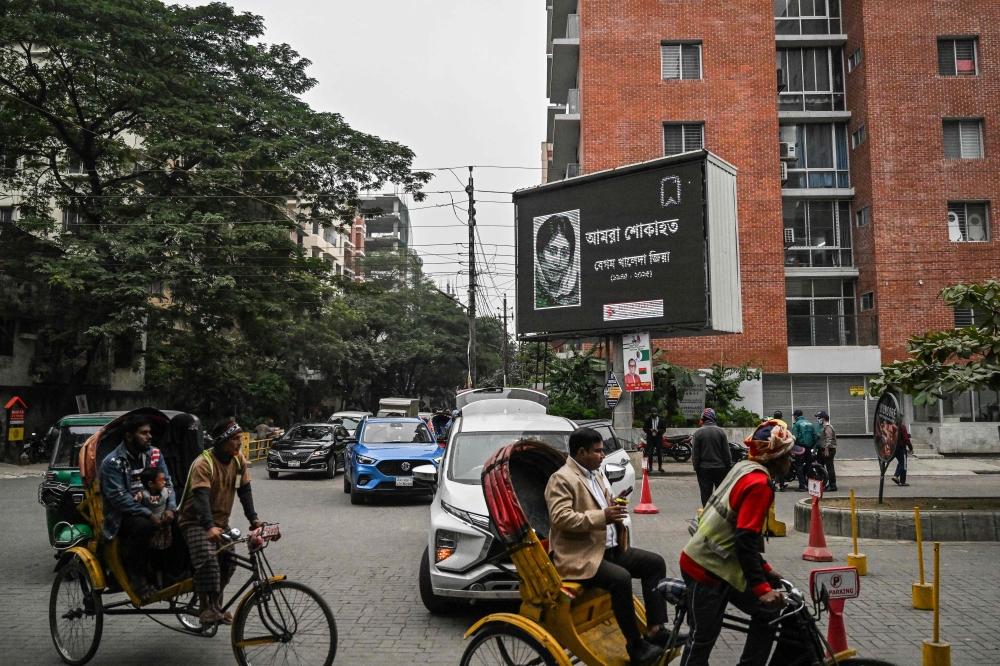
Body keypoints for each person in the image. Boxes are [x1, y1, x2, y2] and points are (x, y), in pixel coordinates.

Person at [679, 421, 805, 666]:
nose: (791, 461)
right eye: (788, 455)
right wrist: (762, 588)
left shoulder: (745, 467)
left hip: (722, 565)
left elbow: (740, 536)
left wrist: (766, 571)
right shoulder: (759, 485)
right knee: (702, 639)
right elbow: (744, 539)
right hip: (705, 569)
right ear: (776, 458)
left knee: (768, 612)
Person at [546, 428, 668, 666]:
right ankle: (635, 645)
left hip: (609, 551)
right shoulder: (561, 479)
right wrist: (603, 516)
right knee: (620, 579)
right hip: (581, 557)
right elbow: (561, 518)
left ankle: (655, 629)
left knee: (655, 563)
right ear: (581, 452)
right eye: (598, 451)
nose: (603, 456)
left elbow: (599, 505)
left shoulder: (595, 473)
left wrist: (613, 504)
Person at [178, 418, 263, 626]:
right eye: (234, 439)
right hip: (195, 521)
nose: (239, 442)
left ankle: (217, 604)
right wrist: (208, 526)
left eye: (239, 438)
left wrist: (253, 518)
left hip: (219, 522)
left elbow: (244, 490)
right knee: (209, 560)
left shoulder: (237, 460)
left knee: (230, 560)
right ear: (222, 441)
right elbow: (200, 498)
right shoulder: (203, 464)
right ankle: (205, 607)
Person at [99, 414, 177, 598]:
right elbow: (119, 498)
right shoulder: (112, 463)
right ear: (128, 436)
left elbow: (167, 483)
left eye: (150, 432)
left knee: (181, 521)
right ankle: (138, 579)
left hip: (156, 506)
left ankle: (171, 572)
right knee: (143, 527)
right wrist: (148, 514)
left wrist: (170, 508)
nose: (149, 436)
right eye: (144, 433)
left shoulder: (155, 455)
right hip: (123, 515)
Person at [534, 213, 580, 309]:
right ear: (540, 253)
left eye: (564, 253)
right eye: (552, 251)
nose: (558, 262)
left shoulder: (577, 291)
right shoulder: (531, 289)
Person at [691, 408, 732, 506]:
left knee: (706, 495)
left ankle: (707, 516)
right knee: (721, 495)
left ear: (702, 419)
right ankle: (719, 517)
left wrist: (696, 467)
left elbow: (695, 454)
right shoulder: (721, 432)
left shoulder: (698, 433)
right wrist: (728, 466)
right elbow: (726, 452)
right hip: (720, 468)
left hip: (704, 469)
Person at [136, 466, 173, 551]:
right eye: (161, 480)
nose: (164, 482)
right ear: (151, 484)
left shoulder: (165, 492)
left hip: (164, 526)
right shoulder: (142, 495)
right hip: (151, 524)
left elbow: (170, 501)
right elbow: (137, 506)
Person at [789, 409, 817, 492]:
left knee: (799, 466)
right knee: (809, 466)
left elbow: (795, 437)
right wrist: (813, 446)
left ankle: (802, 486)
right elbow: (815, 436)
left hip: (800, 448)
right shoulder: (810, 423)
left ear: (796, 416)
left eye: (794, 416)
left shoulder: (797, 424)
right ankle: (811, 487)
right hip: (809, 448)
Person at [817, 411, 837, 492]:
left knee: (830, 467)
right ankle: (829, 484)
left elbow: (829, 439)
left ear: (823, 419)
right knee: (827, 466)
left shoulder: (827, 427)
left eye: (819, 418)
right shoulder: (824, 426)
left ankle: (832, 485)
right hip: (826, 448)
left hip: (829, 449)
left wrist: (826, 449)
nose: (818, 419)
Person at [642, 408, 667, 472]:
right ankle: (650, 467)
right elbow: (644, 428)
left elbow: (664, 429)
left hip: (658, 439)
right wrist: (650, 430)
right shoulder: (648, 420)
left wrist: (658, 431)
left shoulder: (661, 420)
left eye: (655, 413)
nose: (654, 414)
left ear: (657, 413)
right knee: (650, 453)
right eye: (653, 413)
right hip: (651, 439)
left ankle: (660, 467)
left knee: (659, 453)